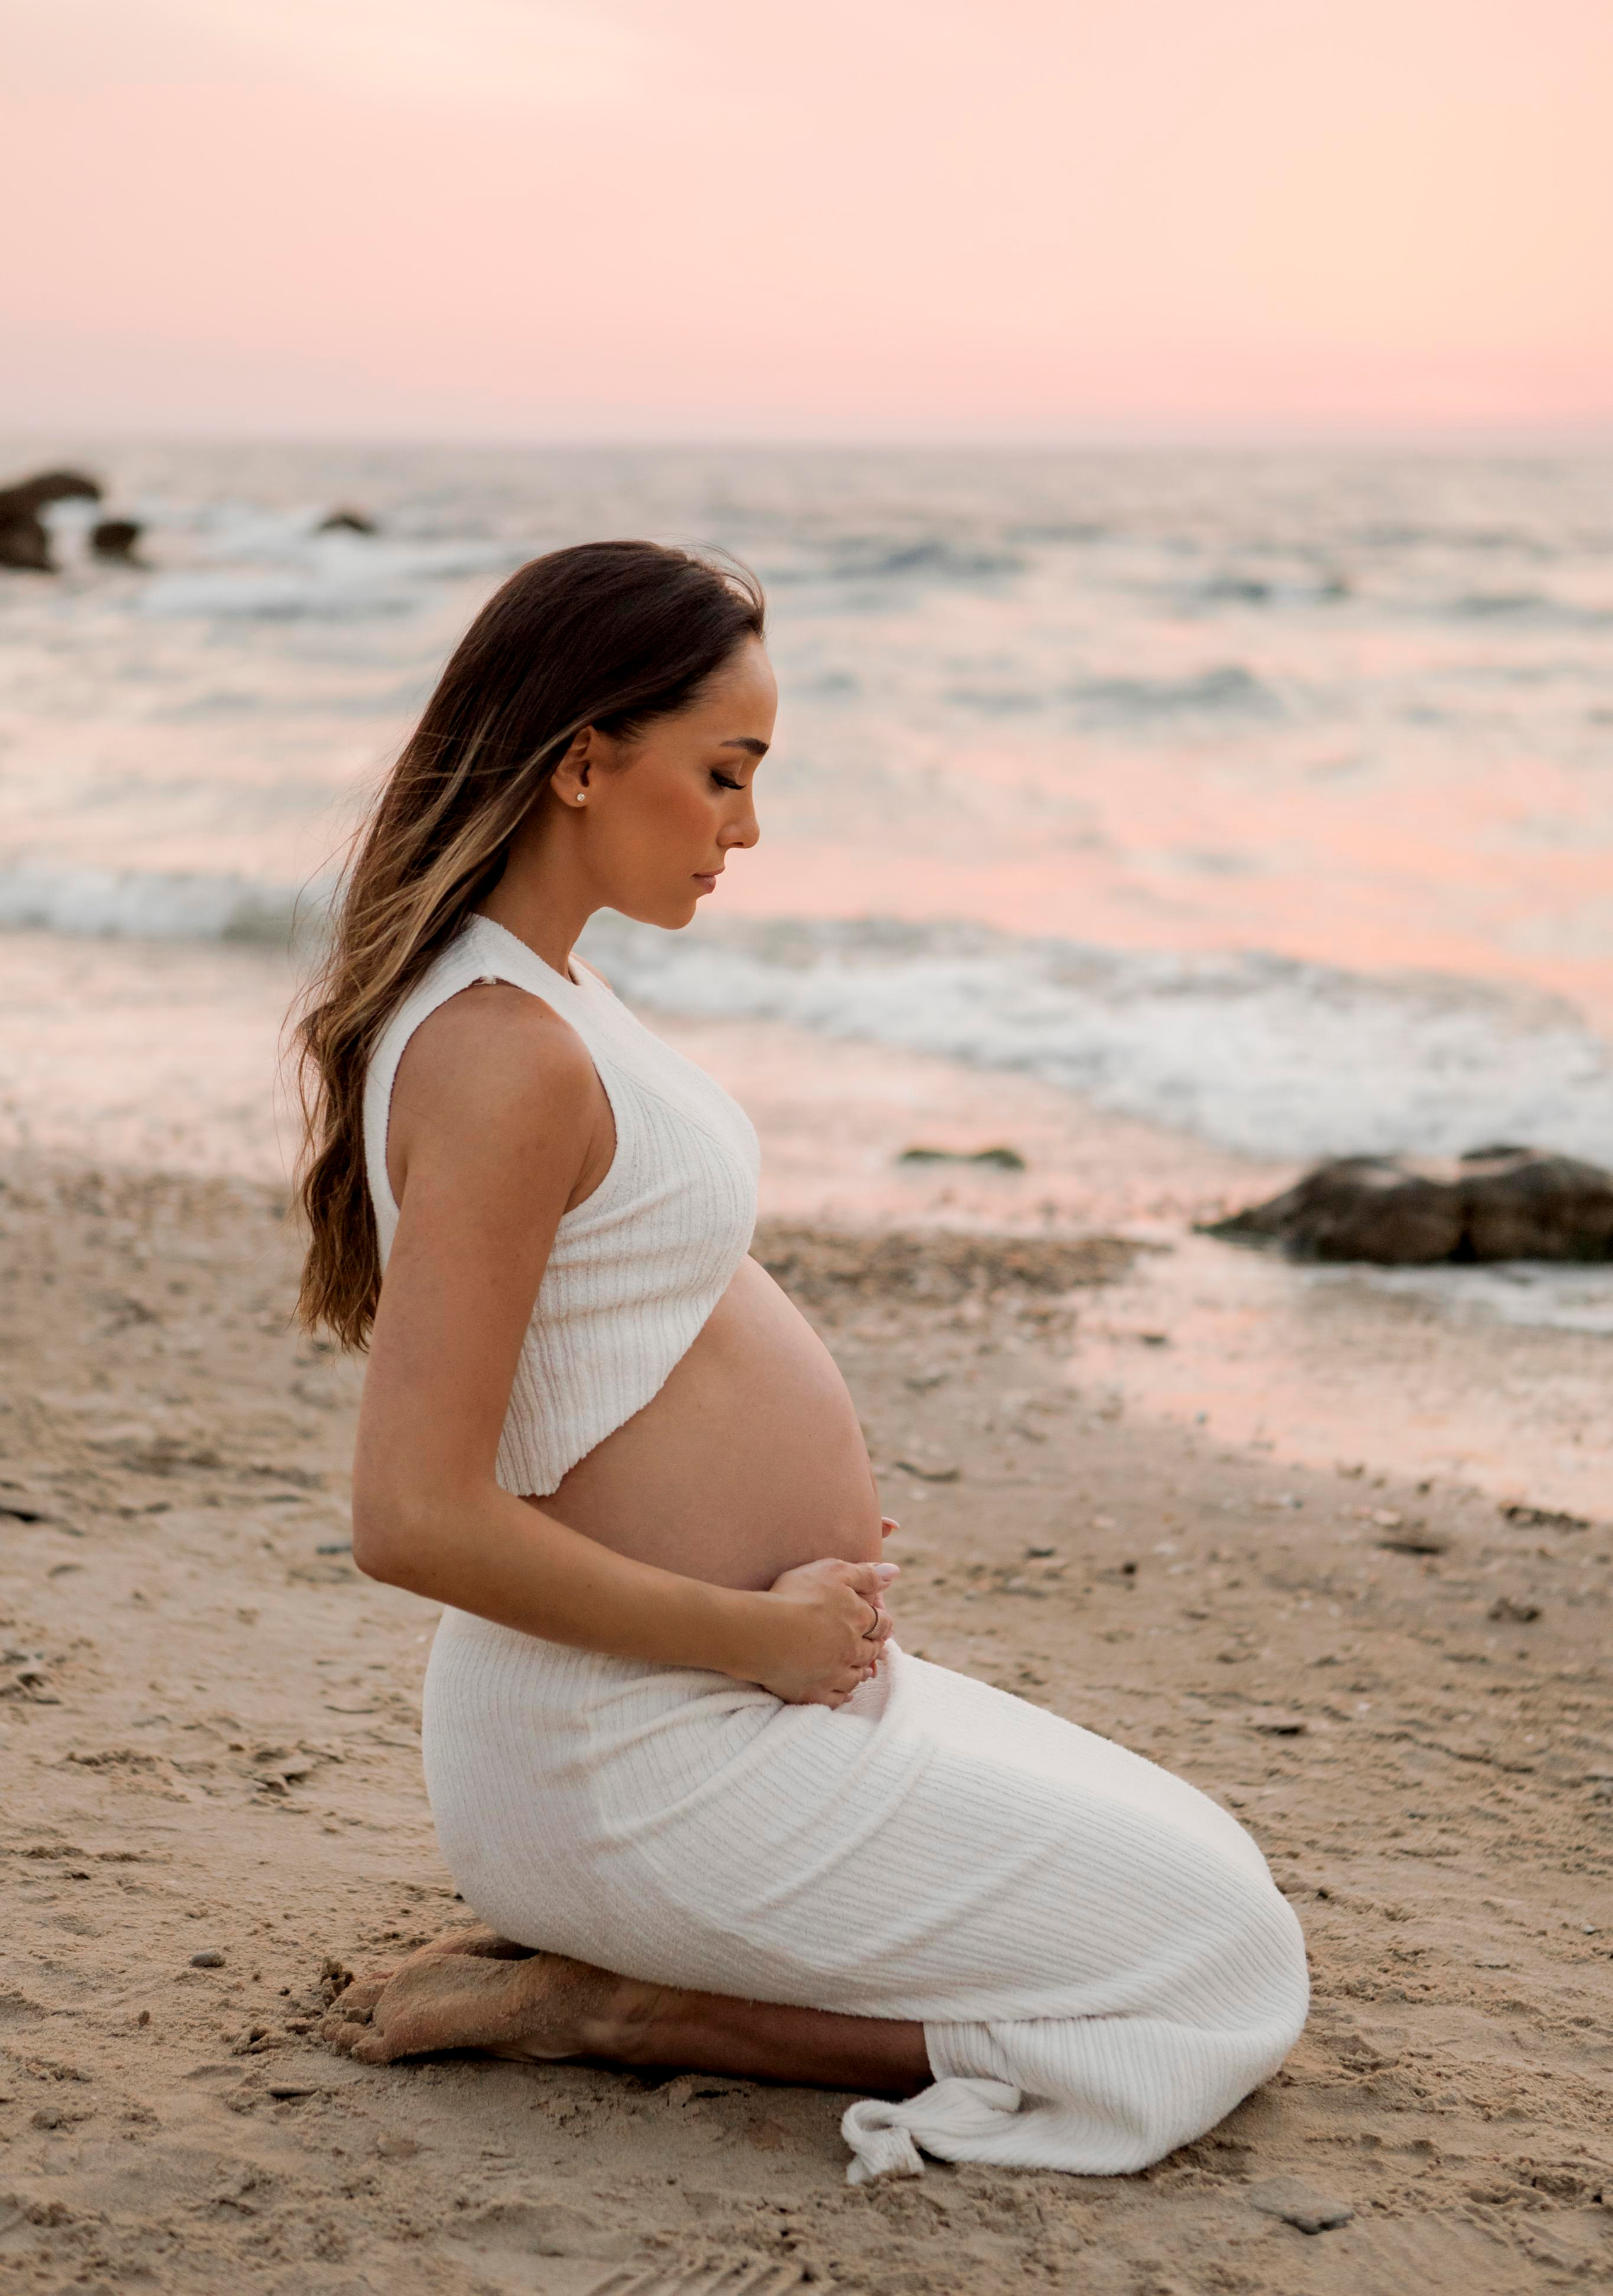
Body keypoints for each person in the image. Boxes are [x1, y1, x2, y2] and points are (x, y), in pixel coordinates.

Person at [294, 540, 1308, 2181]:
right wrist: (751, 1626)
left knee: (1214, 1872)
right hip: (631, 1752)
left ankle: (632, 1971)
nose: (744, 831)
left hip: (728, 1698)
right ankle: (616, 2010)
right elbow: (409, 1516)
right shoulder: (499, 1052)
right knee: (1226, 1968)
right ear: (579, 761)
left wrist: (776, 1578)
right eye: (723, 774)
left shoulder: (544, 997)